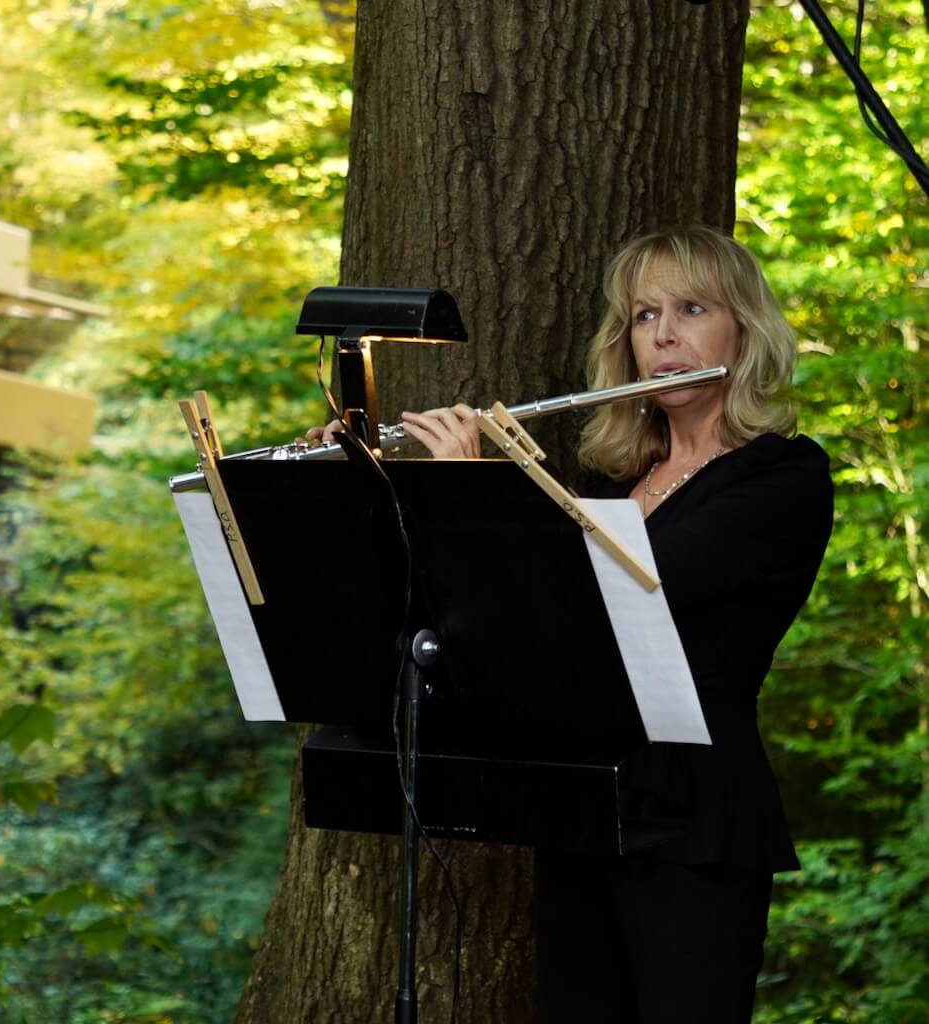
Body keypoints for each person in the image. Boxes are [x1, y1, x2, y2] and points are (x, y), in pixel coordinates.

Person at [308, 226, 834, 1022]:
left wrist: (482, 493)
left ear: (743, 328)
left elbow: (622, 587)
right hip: (579, 799)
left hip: (692, 815)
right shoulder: (609, 477)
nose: (661, 335)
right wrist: (367, 484)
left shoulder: (782, 478)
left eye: (690, 309)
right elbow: (495, 619)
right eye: (641, 315)